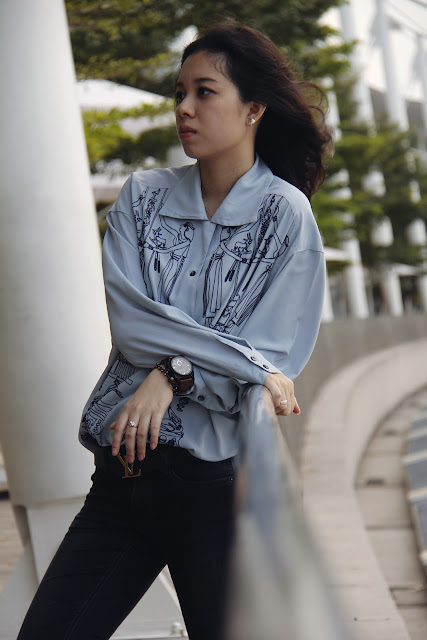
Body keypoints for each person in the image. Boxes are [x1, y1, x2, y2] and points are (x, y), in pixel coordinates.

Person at [17, 19, 330, 640]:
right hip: (120, 480)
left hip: (213, 489)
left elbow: (274, 356)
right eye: (179, 92)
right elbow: (134, 328)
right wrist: (233, 364)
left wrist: (172, 373)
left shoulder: (285, 217)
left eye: (204, 92)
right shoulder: (141, 198)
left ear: (254, 109)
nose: (184, 108)